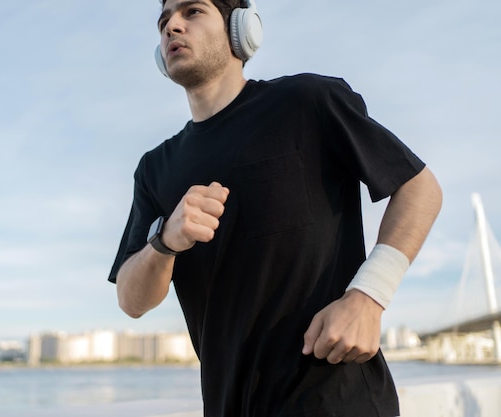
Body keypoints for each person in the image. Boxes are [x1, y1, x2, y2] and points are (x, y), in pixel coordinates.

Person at [108, 0, 443, 416]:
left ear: (240, 29)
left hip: (338, 399)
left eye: (191, 11)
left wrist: (368, 297)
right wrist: (165, 240)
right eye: (163, 21)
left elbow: (419, 187)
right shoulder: (155, 169)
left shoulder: (306, 102)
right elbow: (131, 299)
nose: (172, 26)